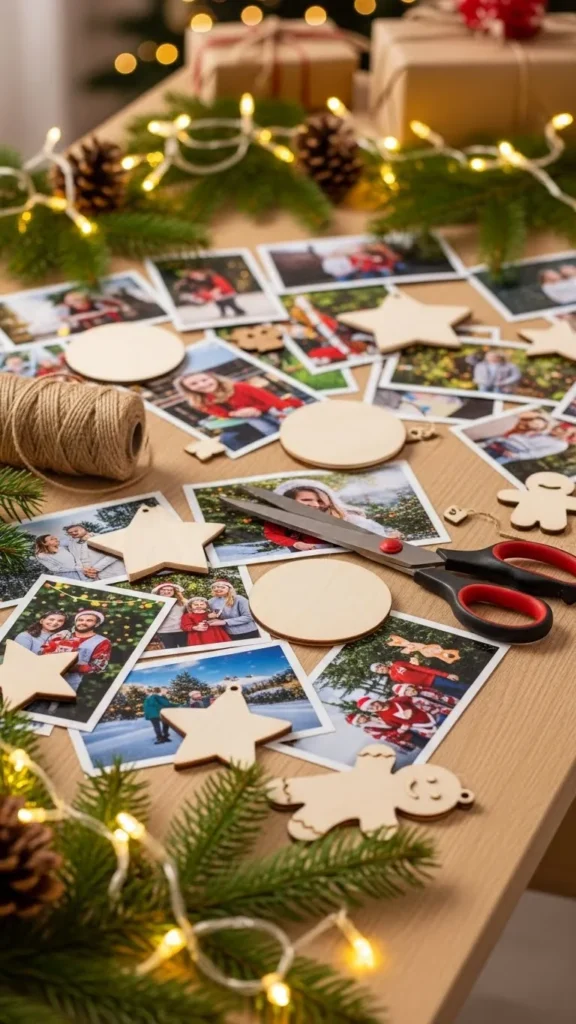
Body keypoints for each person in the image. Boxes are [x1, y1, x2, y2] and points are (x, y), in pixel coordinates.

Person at [262, 479, 400, 552]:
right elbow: (272, 533)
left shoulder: (345, 518)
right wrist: (296, 543)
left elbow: (368, 532)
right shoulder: (281, 520)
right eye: (306, 500)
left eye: (320, 501)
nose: (315, 505)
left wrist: (386, 539)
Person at [174, 371, 304, 442]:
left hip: (271, 408)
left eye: (205, 379)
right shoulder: (201, 402)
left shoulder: (240, 387)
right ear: (189, 389)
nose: (202, 384)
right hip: (248, 417)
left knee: (282, 420)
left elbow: (271, 400)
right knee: (264, 428)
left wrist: (256, 409)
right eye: (194, 384)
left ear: (213, 378)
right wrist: (235, 414)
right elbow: (221, 414)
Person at [41, 609, 112, 695]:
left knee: (52, 705)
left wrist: (76, 667)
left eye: (89, 620)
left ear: (96, 624)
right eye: (80, 620)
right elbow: (44, 650)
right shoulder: (63, 634)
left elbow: (99, 666)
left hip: (70, 682)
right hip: (46, 675)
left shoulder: (102, 641)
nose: (83, 622)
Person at [369, 660, 467, 699]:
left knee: (460, 687)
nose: (380, 669)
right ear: (378, 673)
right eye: (378, 670)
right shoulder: (393, 678)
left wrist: (446, 675)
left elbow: (420, 668)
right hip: (430, 688)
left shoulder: (397, 664)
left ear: (382, 665)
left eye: (379, 667)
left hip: (434, 679)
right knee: (456, 695)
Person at [173, 269, 246, 318]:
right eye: (194, 276)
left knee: (230, 304)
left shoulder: (215, 278)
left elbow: (222, 286)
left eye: (198, 276)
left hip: (227, 294)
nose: (196, 277)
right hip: (219, 295)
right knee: (220, 304)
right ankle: (224, 314)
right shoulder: (201, 280)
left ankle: (240, 312)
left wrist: (216, 291)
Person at [151, 583, 188, 649]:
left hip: (181, 630)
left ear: (174, 592)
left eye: (170, 590)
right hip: (164, 631)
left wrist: (181, 596)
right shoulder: (154, 603)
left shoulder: (181, 602)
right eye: (164, 590)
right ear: (159, 591)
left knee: (185, 650)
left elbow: (191, 607)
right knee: (170, 651)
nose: (167, 592)